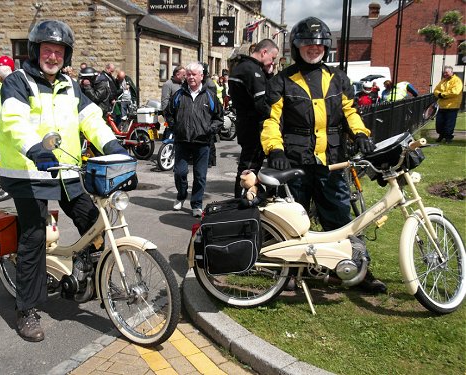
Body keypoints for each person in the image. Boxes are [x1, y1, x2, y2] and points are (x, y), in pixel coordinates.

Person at [0, 20, 131, 342]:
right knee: (33, 236)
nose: (53, 56)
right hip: (28, 170)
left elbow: (91, 120)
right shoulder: (17, 82)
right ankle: (26, 309)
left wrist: (113, 147)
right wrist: (34, 149)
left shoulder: (71, 87)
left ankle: (93, 277)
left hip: (65, 170)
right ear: (35, 51)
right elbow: (14, 122)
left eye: (59, 51)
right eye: (47, 50)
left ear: (66, 55)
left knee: (92, 221)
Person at [261, 17, 386, 294]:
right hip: (295, 162)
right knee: (294, 221)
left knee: (341, 217)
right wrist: (276, 149)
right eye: (307, 43)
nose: (313, 48)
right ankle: (290, 273)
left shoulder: (338, 78)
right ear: (296, 47)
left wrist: (361, 134)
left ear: (325, 47)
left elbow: (351, 112)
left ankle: (358, 271)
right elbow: (272, 120)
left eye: (318, 44)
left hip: (331, 161)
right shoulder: (282, 80)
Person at [164, 62, 223, 217]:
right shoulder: (179, 94)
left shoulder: (210, 95)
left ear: (201, 76)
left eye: (193, 74)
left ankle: (196, 204)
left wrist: (209, 130)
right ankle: (181, 195)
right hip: (182, 141)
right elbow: (168, 113)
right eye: (188, 74)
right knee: (180, 173)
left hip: (202, 143)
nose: (190, 77)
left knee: (200, 176)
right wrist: (174, 127)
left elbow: (219, 118)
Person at [228, 38, 279, 198]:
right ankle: (241, 203)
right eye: (272, 58)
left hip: (245, 124)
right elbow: (262, 103)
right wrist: (276, 116)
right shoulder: (253, 71)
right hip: (253, 127)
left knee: (248, 166)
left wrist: (269, 75)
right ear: (264, 52)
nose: (272, 62)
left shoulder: (244, 67)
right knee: (249, 168)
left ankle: (243, 201)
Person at [433, 66, 463, 143]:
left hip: (452, 106)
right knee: (439, 123)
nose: (445, 74)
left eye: (447, 72)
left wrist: (442, 95)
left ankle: (448, 138)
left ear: (451, 72)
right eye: (444, 72)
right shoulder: (443, 81)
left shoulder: (457, 81)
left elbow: (455, 92)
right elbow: (436, 90)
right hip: (442, 106)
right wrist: (439, 94)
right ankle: (441, 135)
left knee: (449, 124)